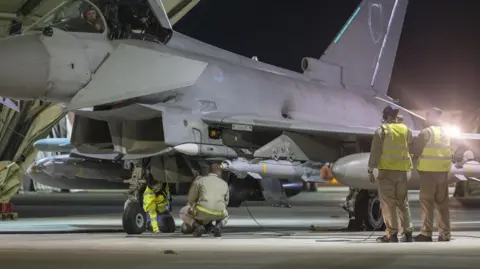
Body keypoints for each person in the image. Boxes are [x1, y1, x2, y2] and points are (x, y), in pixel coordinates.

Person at [368, 105, 414, 243]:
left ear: (386, 116)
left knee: (388, 204)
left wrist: (370, 170)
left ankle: (391, 234)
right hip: (402, 172)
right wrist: (399, 124)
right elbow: (409, 142)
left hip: (387, 172)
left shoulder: (381, 130)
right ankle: (408, 232)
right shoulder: (406, 129)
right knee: (403, 203)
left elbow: (375, 152)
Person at [411, 107, 453, 242]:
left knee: (427, 203)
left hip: (428, 173)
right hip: (443, 173)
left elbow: (416, 150)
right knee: (442, 204)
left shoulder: (426, 132)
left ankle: (426, 233)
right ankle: (445, 234)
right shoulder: (446, 133)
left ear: (430, 117)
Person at [179, 163, 229, 237]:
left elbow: (191, 199)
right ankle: (218, 226)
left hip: (202, 212)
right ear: (219, 171)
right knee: (226, 215)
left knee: (182, 212)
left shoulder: (200, 181)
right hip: (219, 213)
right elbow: (226, 202)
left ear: (208, 171)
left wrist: (193, 206)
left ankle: (197, 226)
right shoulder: (224, 183)